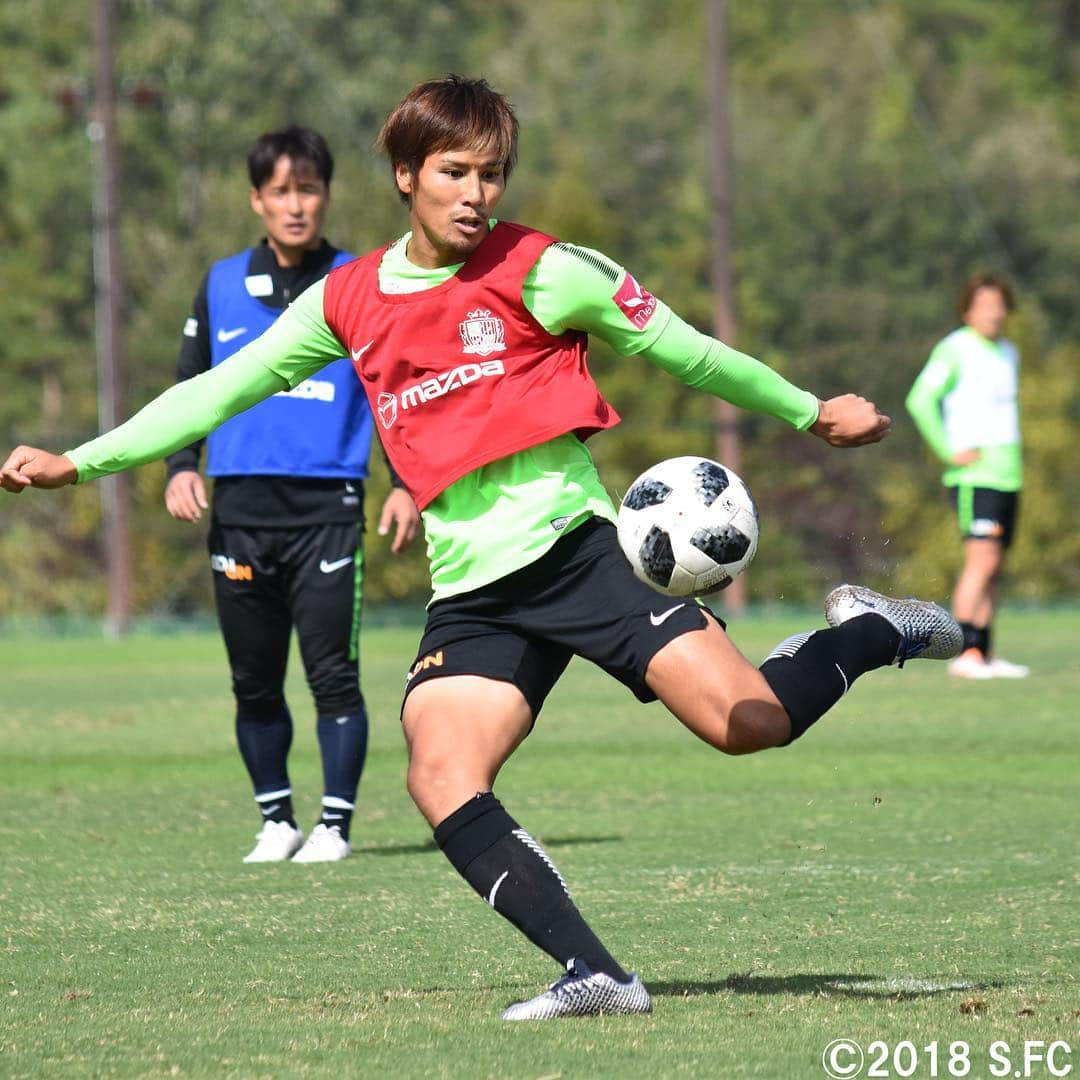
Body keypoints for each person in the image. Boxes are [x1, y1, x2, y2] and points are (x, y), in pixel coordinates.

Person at [3, 76, 962, 1019]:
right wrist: (77, 464)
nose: (478, 194)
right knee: (440, 773)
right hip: (473, 590)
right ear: (406, 176)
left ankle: (876, 630)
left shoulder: (548, 268)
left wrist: (809, 411)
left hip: (581, 556)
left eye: (494, 173)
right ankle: (599, 976)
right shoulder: (348, 300)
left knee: (750, 723)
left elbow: (686, 349)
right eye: (457, 172)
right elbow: (214, 392)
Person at [174, 125, 420, 864]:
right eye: (280, 191)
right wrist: (180, 463)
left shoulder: (357, 282)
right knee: (253, 680)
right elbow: (191, 386)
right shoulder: (220, 284)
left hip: (328, 511)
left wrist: (406, 482)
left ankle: (334, 827)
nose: (295, 205)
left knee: (331, 675)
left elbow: (394, 389)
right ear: (256, 200)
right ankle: (276, 819)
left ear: (327, 196)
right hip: (240, 512)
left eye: (307, 189)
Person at [906, 274, 1028, 681]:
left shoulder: (1009, 351)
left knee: (995, 565)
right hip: (975, 474)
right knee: (981, 560)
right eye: (984, 304)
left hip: (1008, 473)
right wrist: (947, 450)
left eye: (999, 304)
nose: (993, 312)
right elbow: (920, 398)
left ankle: (984, 652)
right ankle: (963, 652)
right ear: (967, 310)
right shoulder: (956, 347)